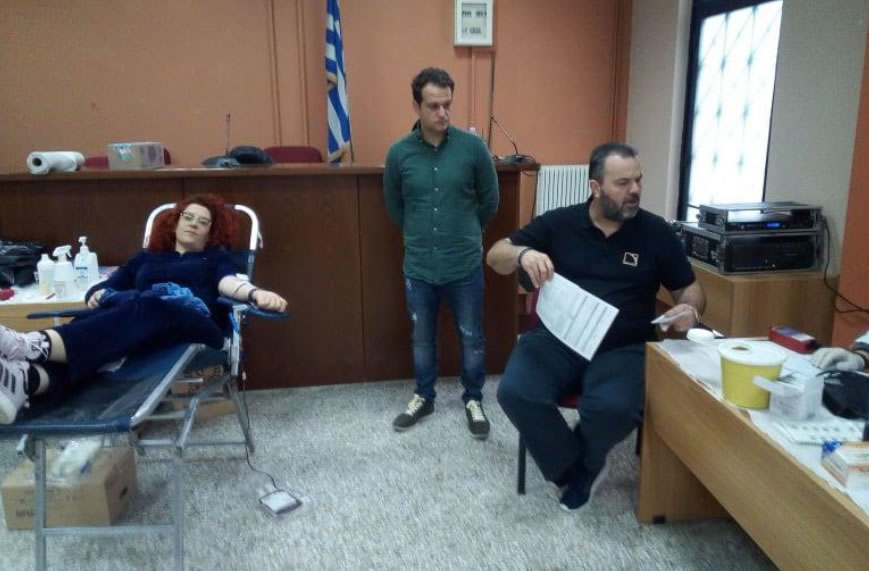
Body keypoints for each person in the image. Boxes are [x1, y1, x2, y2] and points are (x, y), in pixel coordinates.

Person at [486, 142, 705, 511]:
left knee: (613, 409)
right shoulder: (559, 223)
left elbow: (690, 288)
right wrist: (524, 254)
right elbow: (495, 255)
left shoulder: (656, 232)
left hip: (623, 345)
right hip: (558, 337)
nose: (634, 190)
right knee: (515, 391)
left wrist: (691, 309)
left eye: (638, 180)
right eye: (622, 183)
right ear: (595, 187)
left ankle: (586, 465)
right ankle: (575, 468)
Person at [0, 194, 287, 424]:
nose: (193, 224)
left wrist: (255, 293)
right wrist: (96, 294)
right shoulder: (147, 258)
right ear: (175, 223)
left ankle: (26, 345)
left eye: (203, 222)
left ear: (211, 232)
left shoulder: (214, 258)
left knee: (151, 303)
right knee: (103, 331)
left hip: (196, 326)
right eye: (188, 217)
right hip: (143, 323)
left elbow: (229, 283)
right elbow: (110, 285)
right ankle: (26, 379)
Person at [383, 67, 499, 439]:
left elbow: (490, 200)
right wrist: (419, 235)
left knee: (471, 335)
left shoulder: (472, 148)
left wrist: (467, 231)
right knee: (422, 337)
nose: (442, 113)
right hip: (419, 264)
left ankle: (474, 398)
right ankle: (424, 396)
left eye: (447, 104)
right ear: (416, 106)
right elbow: (395, 207)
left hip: (464, 262)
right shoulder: (399, 153)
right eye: (433, 105)